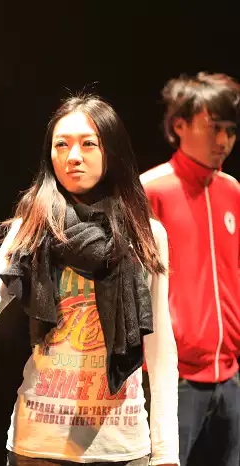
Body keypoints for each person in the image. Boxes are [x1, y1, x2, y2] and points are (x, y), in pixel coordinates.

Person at [0, 95, 180, 465]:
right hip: (39, 443)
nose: (73, 156)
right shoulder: (33, 225)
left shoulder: (146, 234)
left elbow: (161, 347)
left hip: (121, 444)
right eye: (61, 144)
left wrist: (166, 451)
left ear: (111, 150)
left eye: (88, 144)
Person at [139, 72, 240, 466]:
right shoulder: (150, 190)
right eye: (214, 128)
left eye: (231, 130)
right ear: (179, 125)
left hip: (229, 376)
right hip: (174, 378)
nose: (224, 140)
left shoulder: (232, 190)